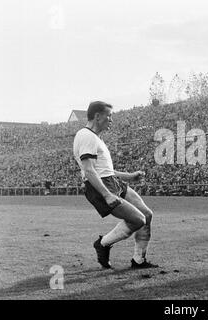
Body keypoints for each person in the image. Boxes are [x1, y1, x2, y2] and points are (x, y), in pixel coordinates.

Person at [73, 101, 158, 269]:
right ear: (97, 116)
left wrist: (130, 176)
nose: (111, 120)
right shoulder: (86, 135)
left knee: (147, 215)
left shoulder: (95, 138)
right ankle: (103, 243)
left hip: (112, 181)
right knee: (138, 220)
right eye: (109, 116)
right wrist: (107, 194)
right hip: (101, 186)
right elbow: (89, 170)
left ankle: (138, 260)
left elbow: (106, 170)